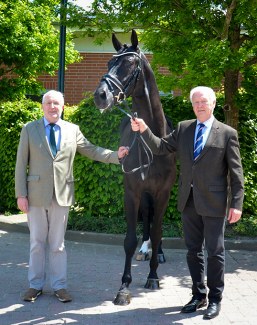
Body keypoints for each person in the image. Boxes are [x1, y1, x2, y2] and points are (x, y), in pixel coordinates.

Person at [130, 86, 244, 320]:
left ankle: (215, 299)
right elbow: (161, 147)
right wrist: (143, 130)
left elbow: (236, 172)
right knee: (193, 251)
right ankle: (198, 294)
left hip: (214, 201)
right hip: (189, 200)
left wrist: (237, 204)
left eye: (204, 102)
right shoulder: (184, 128)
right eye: (196, 102)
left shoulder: (227, 133)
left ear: (213, 104)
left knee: (215, 252)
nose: (199, 106)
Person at [15, 90, 128, 303]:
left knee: (58, 244)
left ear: (63, 106)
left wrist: (116, 155)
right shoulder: (29, 129)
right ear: (42, 107)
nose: (52, 107)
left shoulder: (72, 130)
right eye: (48, 103)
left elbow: (92, 150)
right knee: (36, 243)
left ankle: (59, 286)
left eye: (56, 103)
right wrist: (21, 194)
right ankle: (35, 285)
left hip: (62, 195)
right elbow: (21, 164)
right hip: (36, 195)